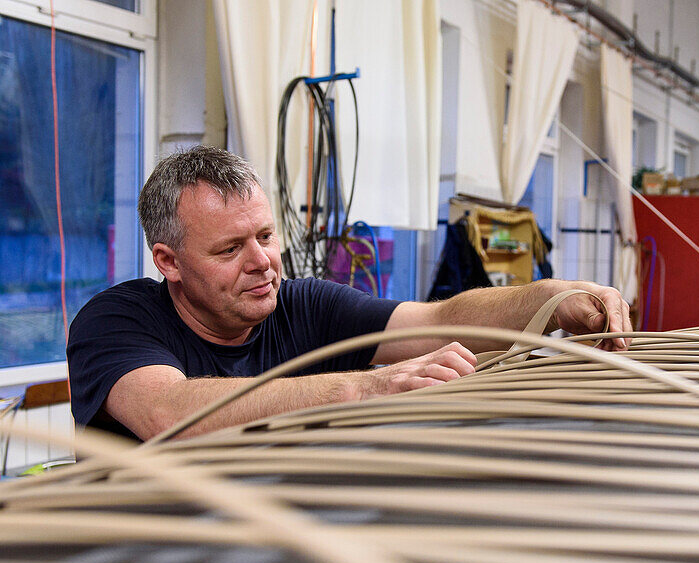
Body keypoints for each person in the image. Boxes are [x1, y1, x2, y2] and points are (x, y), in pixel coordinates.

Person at [67, 146, 631, 441]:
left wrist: (554, 299)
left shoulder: (301, 305)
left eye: (265, 236)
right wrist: (364, 388)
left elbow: (442, 317)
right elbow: (171, 413)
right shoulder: (116, 322)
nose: (261, 261)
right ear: (168, 262)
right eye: (229, 249)